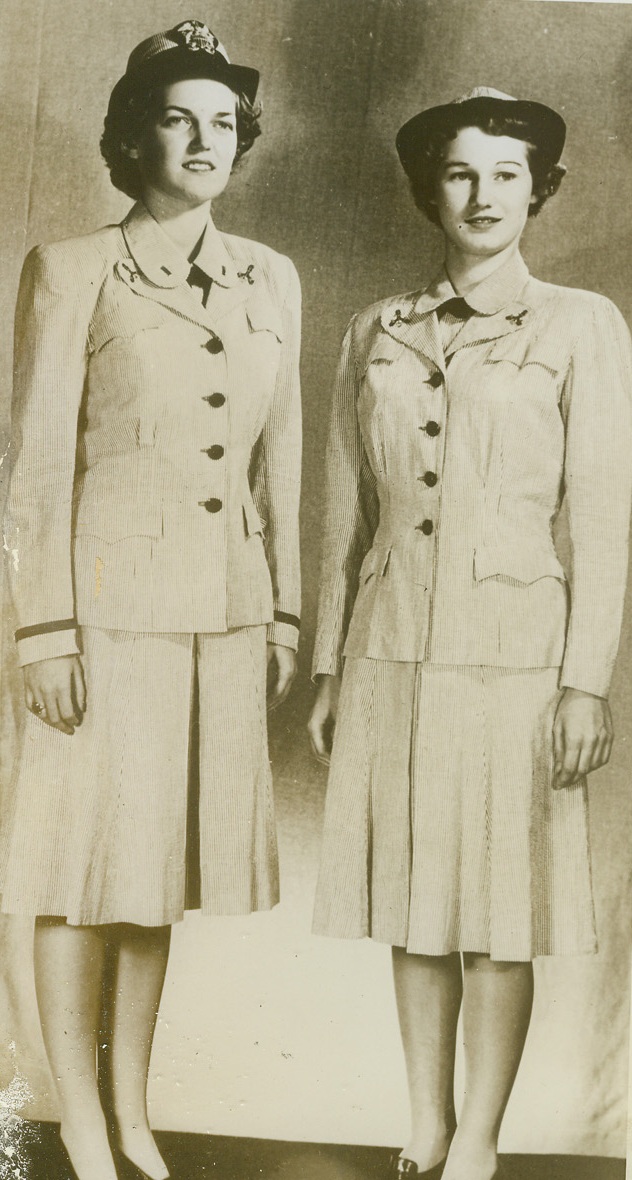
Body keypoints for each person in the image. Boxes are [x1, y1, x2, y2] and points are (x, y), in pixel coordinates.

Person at [308, 87, 632, 1180]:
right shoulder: (371, 332)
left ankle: (479, 1140)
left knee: (499, 908)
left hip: (516, 656)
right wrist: (324, 664)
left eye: (504, 172)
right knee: (416, 897)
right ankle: (424, 1123)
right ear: (426, 191)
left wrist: (584, 681)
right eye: (458, 172)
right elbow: (341, 514)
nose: (481, 193)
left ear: (536, 189)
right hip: (391, 645)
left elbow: (600, 511)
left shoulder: (580, 324)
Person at [2, 20, 301, 1180]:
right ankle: (77, 1120)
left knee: (152, 878)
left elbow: (281, 468)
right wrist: (43, 630)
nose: (204, 139)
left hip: (220, 618)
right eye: (178, 117)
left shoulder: (269, 274)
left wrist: (280, 613)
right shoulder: (72, 268)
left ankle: (134, 1115)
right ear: (132, 139)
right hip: (104, 615)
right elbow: (32, 469)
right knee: (80, 872)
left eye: (222, 121)